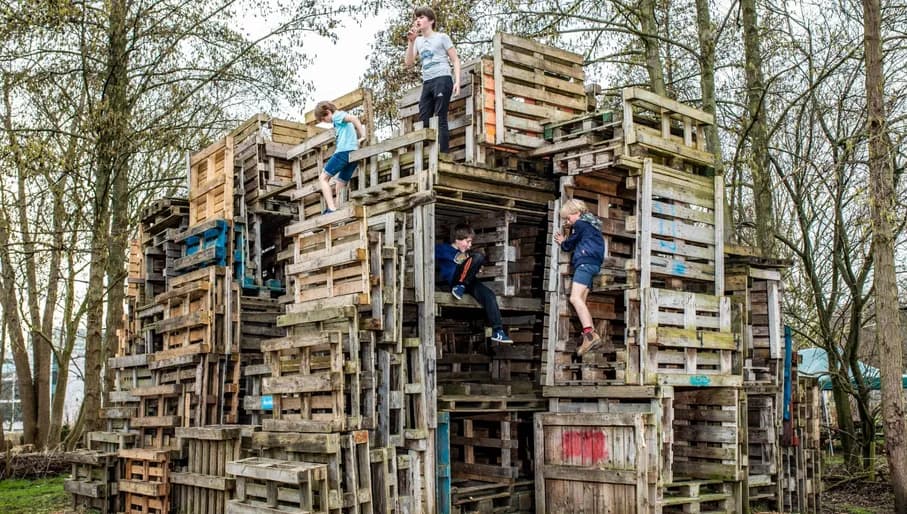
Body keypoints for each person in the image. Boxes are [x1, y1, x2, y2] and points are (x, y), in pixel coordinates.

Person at [436, 224, 512, 344]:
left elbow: (470, 267)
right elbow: (426, 252)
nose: (470, 245)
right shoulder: (443, 249)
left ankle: (497, 331)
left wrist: (475, 267)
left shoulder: (467, 255)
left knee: (489, 295)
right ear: (458, 239)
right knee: (478, 256)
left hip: (467, 283)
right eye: (468, 241)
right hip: (453, 281)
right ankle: (459, 286)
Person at [554, 199, 607, 356]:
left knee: (574, 298)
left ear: (577, 213)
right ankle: (589, 336)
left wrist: (564, 241)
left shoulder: (581, 225)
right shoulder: (593, 225)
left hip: (584, 263)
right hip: (594, 264)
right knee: (581, 301)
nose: (567, 221)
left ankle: (590, 334)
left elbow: (569, 244)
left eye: (568, 217)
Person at [404, 6, 460, 154]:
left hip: (442, 78)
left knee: (440, 116)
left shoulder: (442, 37)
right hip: (427, 82)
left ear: (431, 21)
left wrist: (458, 81)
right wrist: (411, 41)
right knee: (424, 118)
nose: (418, 20)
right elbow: (408, 63)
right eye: (417, 18)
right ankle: (429, 153)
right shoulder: (418, 41)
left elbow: (455, 60)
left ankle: (443, 154)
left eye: (421, 17)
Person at [314, 101, 366, 214]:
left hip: (343, 152)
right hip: (353, 155)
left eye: (324, 120)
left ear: (327, 112)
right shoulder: (339, 119)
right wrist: (358, 140)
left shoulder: (337, 116)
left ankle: (332, 209)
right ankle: (337, 210)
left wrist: (363, 135)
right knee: (340, 184)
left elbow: (354, 118)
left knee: (323, 178)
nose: (325, 122)